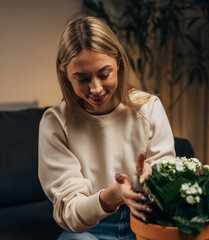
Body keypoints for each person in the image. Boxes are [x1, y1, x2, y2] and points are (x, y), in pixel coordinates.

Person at [38, 16, 175, 240]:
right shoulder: (55, 123)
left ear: (119, 63)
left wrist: (156, 179)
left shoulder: (149, 108)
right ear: (65, 74)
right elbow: (71, 215)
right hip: (89, 230)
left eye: (104, 74)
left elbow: (169, 179)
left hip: (146, 222)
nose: (96, 89)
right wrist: (109, 197)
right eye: (82, 79)